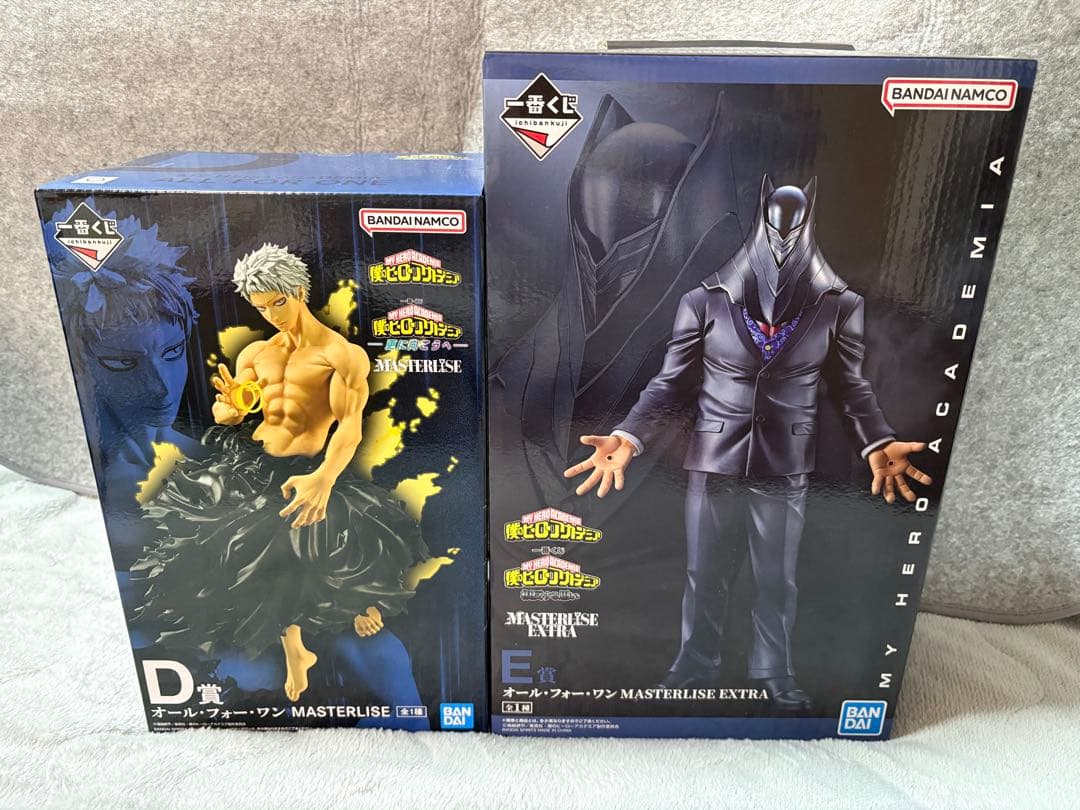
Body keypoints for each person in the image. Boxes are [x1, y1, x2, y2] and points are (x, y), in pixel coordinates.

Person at [565, 177, 933, 711]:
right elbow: (671, 382)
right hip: (714, 457)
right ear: (761, 225)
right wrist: (630, 435)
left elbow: (850, 385)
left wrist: (877, 440)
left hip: (785, 462)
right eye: (775, 231)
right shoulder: (704, 301)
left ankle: (773, 672)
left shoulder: (839, 305)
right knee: (703, 572)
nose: (781, 247)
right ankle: (694, 665)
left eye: (793, 232)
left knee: (777, 577)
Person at [133, 243, 429, 709]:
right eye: (260, 307)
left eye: (278, 302)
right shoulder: (255, 353)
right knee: (236, 545)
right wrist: (230, 409)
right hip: (251, 462)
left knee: (329, 540)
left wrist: (324, 479)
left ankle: (353, 607)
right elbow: (230, 414)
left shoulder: (340, 354)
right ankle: (294, 643)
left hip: (309, 467)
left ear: (299, 291)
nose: (271, 315)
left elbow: (350, 427)